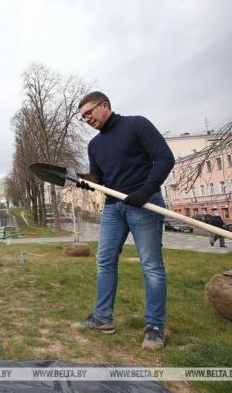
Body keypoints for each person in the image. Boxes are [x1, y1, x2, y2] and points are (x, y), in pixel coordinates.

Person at [72, 91, 175, 350]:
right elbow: (99, 179)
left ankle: (155, 326)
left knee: (151, 265)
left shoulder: (136, 124)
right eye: (82, 117)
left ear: (104, 106)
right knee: (104, 261)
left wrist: (146, 190)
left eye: (89, 113)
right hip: (113, 208)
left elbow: (165, 158)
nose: (86, 119)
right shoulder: (94, 145)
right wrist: (87, 183)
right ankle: (102, 318)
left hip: (145, 203)